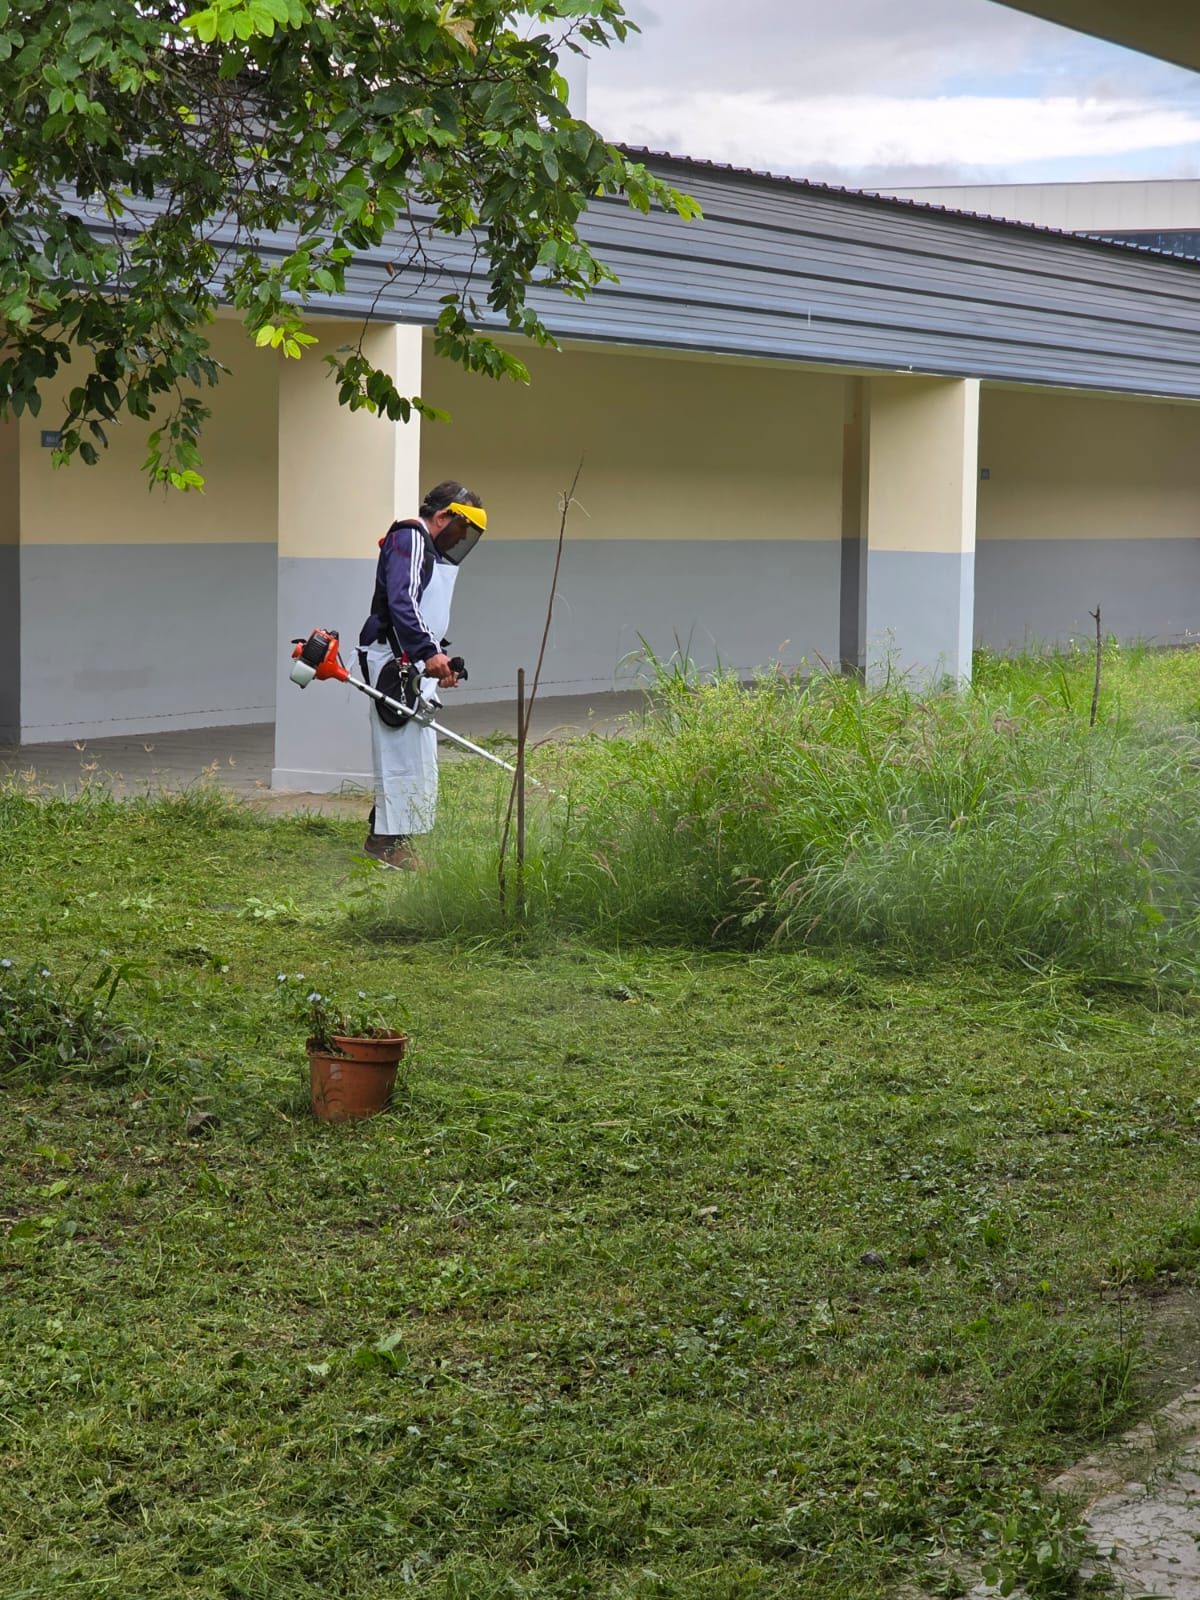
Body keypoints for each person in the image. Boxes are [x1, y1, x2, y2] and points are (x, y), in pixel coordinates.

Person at [357, 480, 487, 869]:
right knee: (401, 752)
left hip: (414, 661)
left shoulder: (426, 549)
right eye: (461, 530)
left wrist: (438, 659)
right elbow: (402, 600)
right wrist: (427, 653)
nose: (460, 539)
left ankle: (391, 833)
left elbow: (422, 613)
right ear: (443, 516)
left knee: (416, 755)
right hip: (395, 662)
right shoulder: (411, 538)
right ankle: (386, 843)